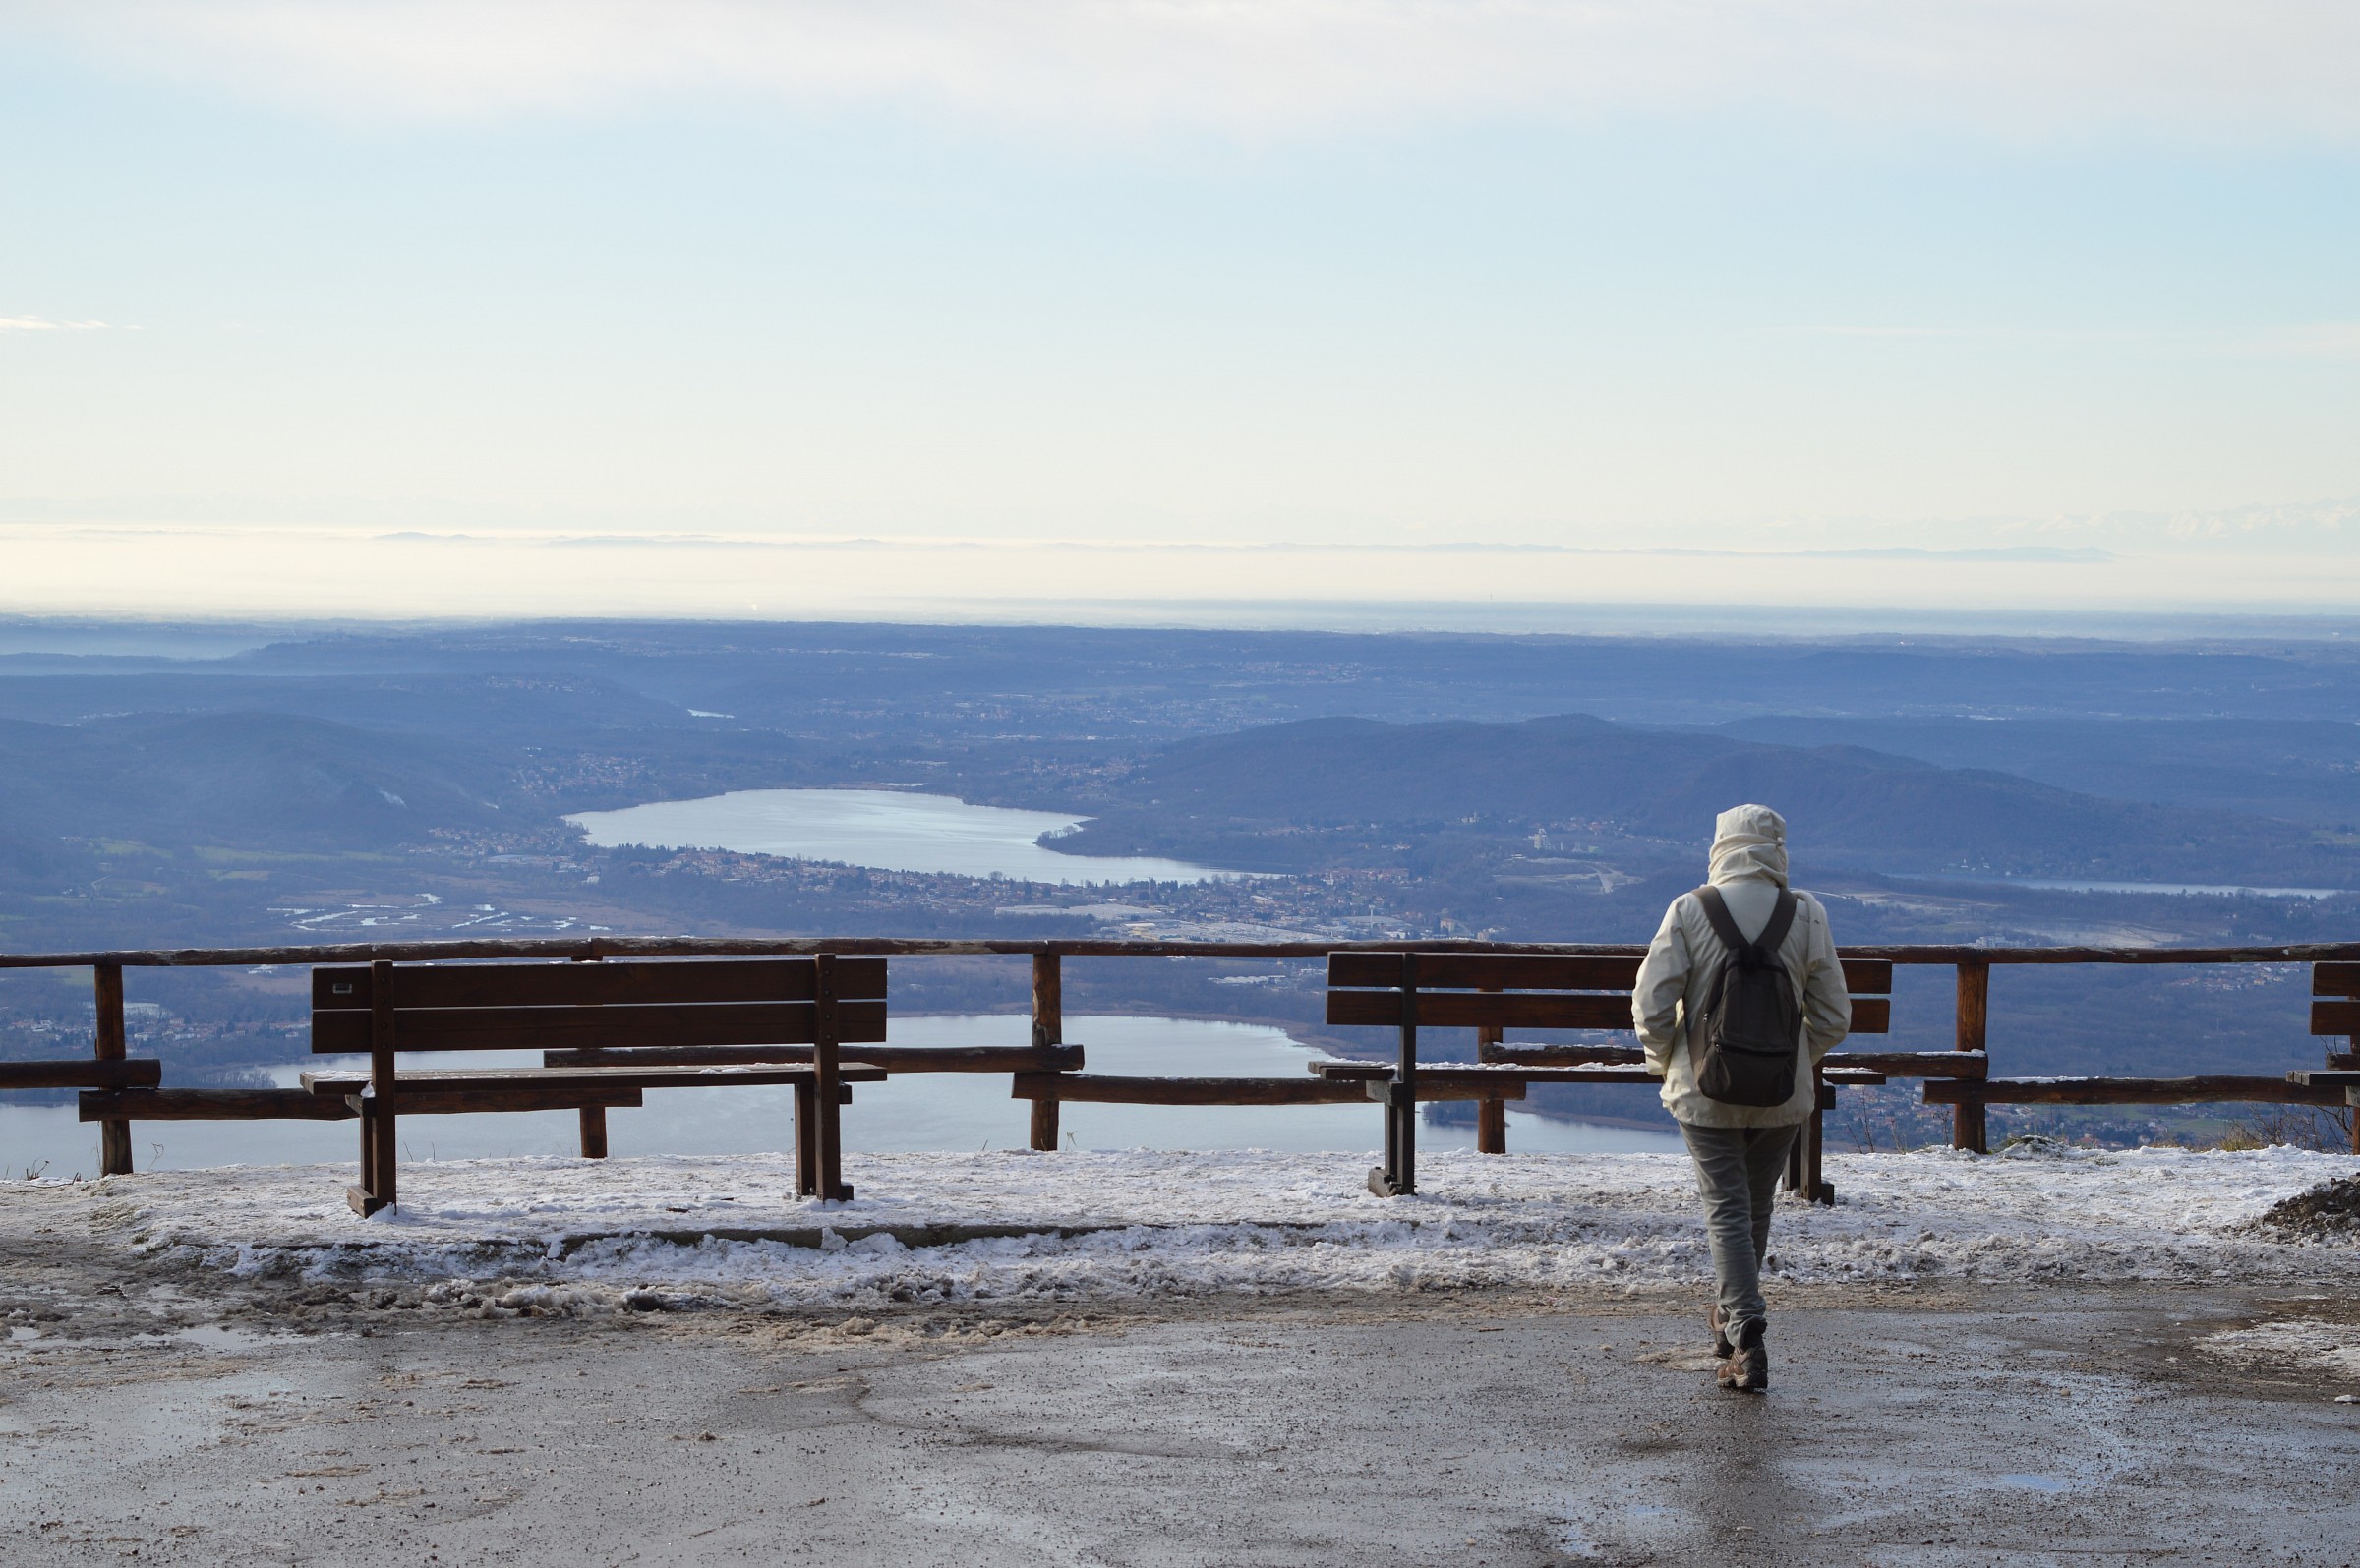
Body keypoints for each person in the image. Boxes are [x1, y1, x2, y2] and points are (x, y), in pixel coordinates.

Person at [1632, 803, 1851, 1393]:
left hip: (1704, 1090)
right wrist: (1791, 1062)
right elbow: (1834, 1016)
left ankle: (1747, 1335)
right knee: (1754, 1206)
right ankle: (1731, 1326)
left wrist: (1666, 1060)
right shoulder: (1805, 914)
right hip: (1783, 1095)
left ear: (1720, 846)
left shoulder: (1689, 910)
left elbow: (1652, 1005)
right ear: (1778, 849)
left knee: (1726, 1206)